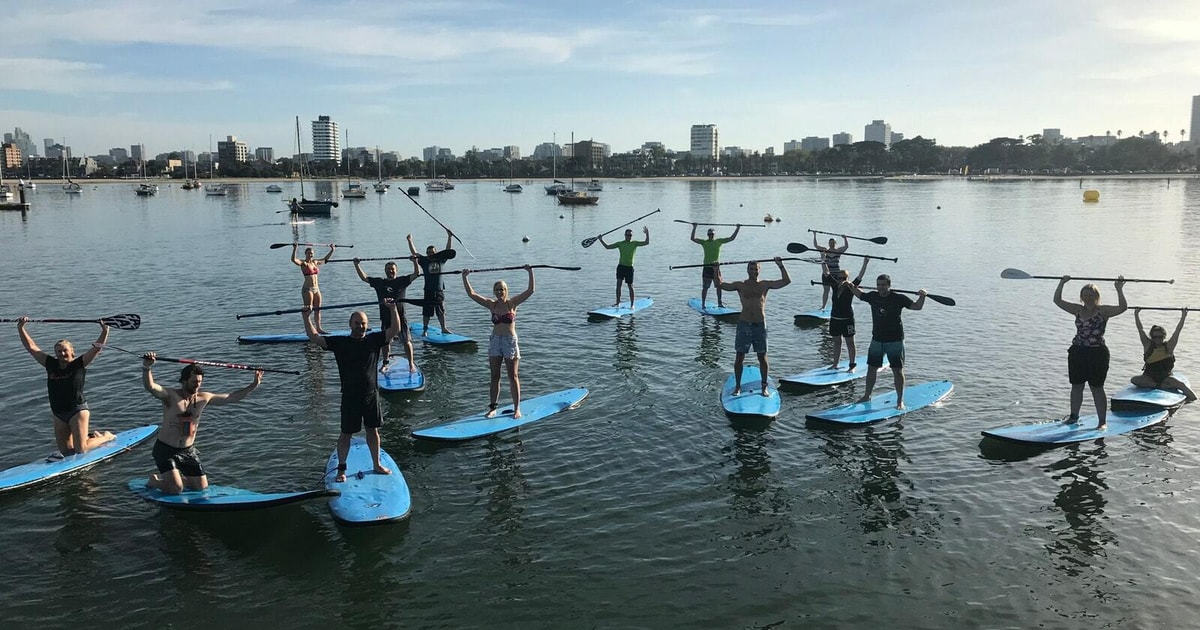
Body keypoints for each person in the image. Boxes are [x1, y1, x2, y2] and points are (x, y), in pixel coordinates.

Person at [304, 300, 400, 483]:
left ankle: (376, 464)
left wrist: (393, 309)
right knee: (346, 434)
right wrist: (306, 317)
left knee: (373, 431)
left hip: (371, 396)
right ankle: (341, 469)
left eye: (363, 323)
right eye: (357, 323)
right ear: (350, 325)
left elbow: (394, 330)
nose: (360, 326)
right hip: (350, 397)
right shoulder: (340, 342)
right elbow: (315, 338)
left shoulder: (374, 340)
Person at [140, 352, 262, 494]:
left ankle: (172, 478)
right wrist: (146, 368)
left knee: (200, 487)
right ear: (184, 381)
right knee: (176, 489)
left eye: (199, 382)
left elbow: (231, 397)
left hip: (187, 450)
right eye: (193, 382)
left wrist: (253, 385)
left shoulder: (204, 398)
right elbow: (151, 387)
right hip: (165, 450)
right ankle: (156, 481)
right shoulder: (170, 396)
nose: (197, 386)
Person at [17, 317, 115, 457]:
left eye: (64, 350)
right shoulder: (50, 364)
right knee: (67, 451)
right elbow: (32, 348)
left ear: (72, 351)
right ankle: (91, 438)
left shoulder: (79, 364)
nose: (61, 354)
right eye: (58, 352)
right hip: (58, 412)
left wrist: (105, 331)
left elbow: (96, 349)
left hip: (77, 410)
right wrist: (21, 328)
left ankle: (106, 436)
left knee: (80, 449)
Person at [1054, 276, 1127, 429]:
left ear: (1096, 297)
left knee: (1097, 387)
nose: (1088, 298)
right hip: (1078, 352)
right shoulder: (1077, 310)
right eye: (1085, 295)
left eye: (1091, 295)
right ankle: (1074, 416)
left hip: (1097, 353)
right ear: (1082, 297)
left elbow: (1122, 308)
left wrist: (1119, 289)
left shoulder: (1103, 311)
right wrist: (1062, 283)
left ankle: (1102, 422)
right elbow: (1057, 300)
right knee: (1077, 385)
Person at [462, 265, 535, 418]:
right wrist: (465, 277)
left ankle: (517, 409)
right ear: (494, 291)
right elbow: (472, 294)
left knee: (513, 376)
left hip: (510, 342)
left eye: (502, 289)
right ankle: (493, 408)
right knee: (494, 376)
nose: (499, 292)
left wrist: (530, 272)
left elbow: (530, 291)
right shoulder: (491, 304)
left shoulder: (512, 304)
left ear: (506, 291)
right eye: (497, 289)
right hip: (495, 341)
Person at [845, 274, 926, 409]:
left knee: (897, 371)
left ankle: (900, 401)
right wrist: (850, 286)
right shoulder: (873, 296)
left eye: (883, 285)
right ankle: (867, 396)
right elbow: (860, 294)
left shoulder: (898, 298)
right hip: (877, 339)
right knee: (871, 369)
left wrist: (922, 296)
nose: (880, 288)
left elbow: (917, 307)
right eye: (878, 285)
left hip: (895, 340)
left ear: (889, 285)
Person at [715, 258, 791, 396]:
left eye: (756, 269)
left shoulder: (765, 284)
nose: (753, 271)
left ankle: (764, 387)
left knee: (762, 357)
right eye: (751, 269)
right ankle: (737, 387)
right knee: (740, 357)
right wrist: (716, 269)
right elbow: (719, 284)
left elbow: (786, 281)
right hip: (744, 323)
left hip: (760, 324)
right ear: (747, 270)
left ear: (759, 270)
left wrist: (780, 265)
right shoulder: (740, 285)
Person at [354, 257, 420, 371]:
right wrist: (356, 265)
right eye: (388, 269)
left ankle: (411, 364)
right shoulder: (380, 283)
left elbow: (417, 274)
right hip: (386, 318)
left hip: (401, 318)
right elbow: (364, 278)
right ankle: (385, 363)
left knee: (406, 341)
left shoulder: (402, 281)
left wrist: (415, 262)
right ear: (385, 271)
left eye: (393, 269)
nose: (391, 271)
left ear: (396, 270)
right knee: (385, 342)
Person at [1132, 308, 1196, 401]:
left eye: (1160, 337)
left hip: (1165, 377)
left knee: (1181, 385)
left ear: (1164, 337)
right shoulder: (1147, 345)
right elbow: (1140, 329)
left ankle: (1191, 400)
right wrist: (1136, 314)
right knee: (1134, 380)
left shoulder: (1169, 346)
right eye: (1155, 337)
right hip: (1149, 377)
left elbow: (1177, 331)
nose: (1157, 339)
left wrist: (1183, 316)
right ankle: (1160, 386)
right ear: (1152, 337)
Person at [827, 257, 871, 371]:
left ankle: (852, 365)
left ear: (847, 278)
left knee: (850, 343)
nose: (841, 279)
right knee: (836, 342)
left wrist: (865, 263)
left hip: (847, 319)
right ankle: (835, 364)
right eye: (839, 277)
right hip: (835, 318)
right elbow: (826, 272)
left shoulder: (851, 287)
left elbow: (860, 276)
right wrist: (824, 259)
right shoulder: (834, 285)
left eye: (844, 278)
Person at [408, 229, 454, 334]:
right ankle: (425, 330)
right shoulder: (424, 261)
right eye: (428, 253)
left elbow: (448, 250)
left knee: (441, 310)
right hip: (428, 290)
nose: (430, 254)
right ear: (426, 254)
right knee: (427, 312)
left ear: (436, 252)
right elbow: (414, 253)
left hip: (439, 290)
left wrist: (449, 237)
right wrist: (410, 240)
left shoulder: (441, 260)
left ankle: (443, 328)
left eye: (432, 252)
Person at [690, 223, 740, 307]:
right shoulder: (704, 242)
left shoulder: (719, 241)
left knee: (719, 286)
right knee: (705, 288)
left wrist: (737, 228)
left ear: (714, 234)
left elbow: (731, 238)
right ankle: (703, 304)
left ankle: (719, 303)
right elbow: (692, 239)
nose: (711, 236)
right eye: (709, 234)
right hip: (707, 268)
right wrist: (695, 227)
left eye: (712, 234)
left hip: (716, 268)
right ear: (707, 235)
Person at [599, 226, 649, 307]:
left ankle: (632, 305)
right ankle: (617, 302)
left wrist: (647, 233)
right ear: (625, 235)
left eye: (630, 235)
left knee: (630, 286)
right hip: (621, 267)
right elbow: (607, 247)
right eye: (628, 235)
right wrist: (601, 240)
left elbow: (646, 242)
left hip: (629, 268)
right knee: (618, 285)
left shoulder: (634, 243)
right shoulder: (620, 244)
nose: (629, 237)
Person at [292, 243, 335, 334]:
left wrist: (332, 250)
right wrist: (295, 248)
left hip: (316, 289)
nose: (310, 255)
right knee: (308, 310)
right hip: (307, 289)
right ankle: (308, 329)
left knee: (318, 309)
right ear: (306, 254)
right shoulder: (304, 264)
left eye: (311, 253)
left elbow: (325, 260)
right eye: (308, 253)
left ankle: (319, 328)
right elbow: (293, 260)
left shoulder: (315, 262)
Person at [813, 234, 849, 310]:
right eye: (830, 243)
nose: (831, 244)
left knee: (836, 291)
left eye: (833, 243)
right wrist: (815, 235)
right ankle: (823, 306)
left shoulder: (838, 251)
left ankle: (837, 305)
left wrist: (845, 238)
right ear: (828, 243)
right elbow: (816, 245)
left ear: (835, 243)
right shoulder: (825, 250)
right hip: (827, 274)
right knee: (826, 290)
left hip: (836, 274)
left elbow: (846, 247)